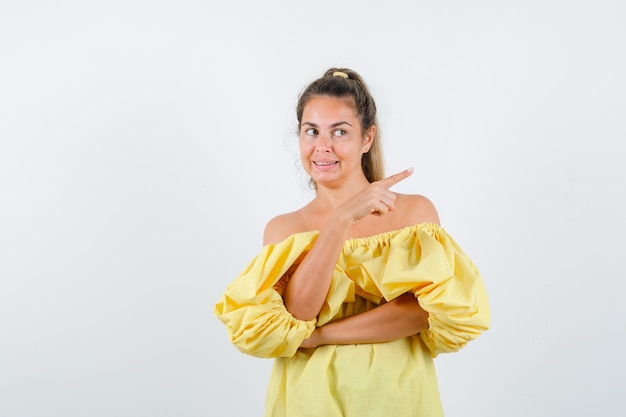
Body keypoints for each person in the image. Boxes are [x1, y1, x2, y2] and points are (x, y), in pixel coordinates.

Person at [214, 67, 490, 417]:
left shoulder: (413, 213)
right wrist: (340, 220)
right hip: (307, 403)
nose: (322, 146)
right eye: (311, 131)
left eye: (340, 132)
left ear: (367, 138)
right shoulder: (283, 230)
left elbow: (420, 313)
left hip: (398, 401)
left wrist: (318, 337)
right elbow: (298, 314)